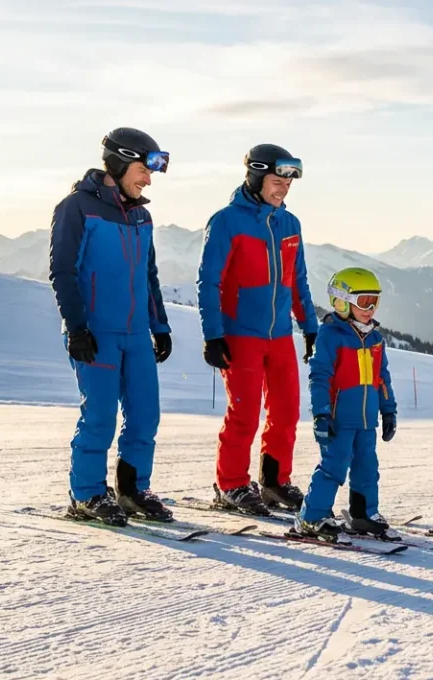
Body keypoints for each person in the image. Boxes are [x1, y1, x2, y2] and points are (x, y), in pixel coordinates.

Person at [49, 127, 174, 525]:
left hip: (136, 333)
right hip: (96, 331)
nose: (149, 179)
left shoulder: (142, 215)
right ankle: (86, 495)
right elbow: (62, 271)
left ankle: (133, 490)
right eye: (144, 169)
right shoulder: (77, 208)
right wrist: (77, 327)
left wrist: (160, 325)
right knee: (100, 415)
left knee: (144, 415)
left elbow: (148, 275)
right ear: (120, 162)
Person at [197, 144, 319, 515]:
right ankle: (231, 484)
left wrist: (309, 327)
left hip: (280, 334)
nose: (283, 187)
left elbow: (298, 281)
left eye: (288, 181)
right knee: (245, 412)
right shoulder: (227, 221)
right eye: (276, 179)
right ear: (254, 176)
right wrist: (213, 334)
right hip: (240, 334)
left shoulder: (290, 224)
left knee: (286, 412)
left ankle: (274, 481)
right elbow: (209, 282)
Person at [296, 268, 398, 540]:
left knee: (367, 468)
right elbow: (319, 378)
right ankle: (312, 517)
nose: (371, 308)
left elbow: (382, 379)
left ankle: (363, 514)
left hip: (366, 420)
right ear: (341, 301)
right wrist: (321, 414)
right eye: (364, 301)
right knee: (333, 467)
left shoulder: (376, 338)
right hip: (338, 419)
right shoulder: (331, 335)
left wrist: (388, 411)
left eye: (375, 301)